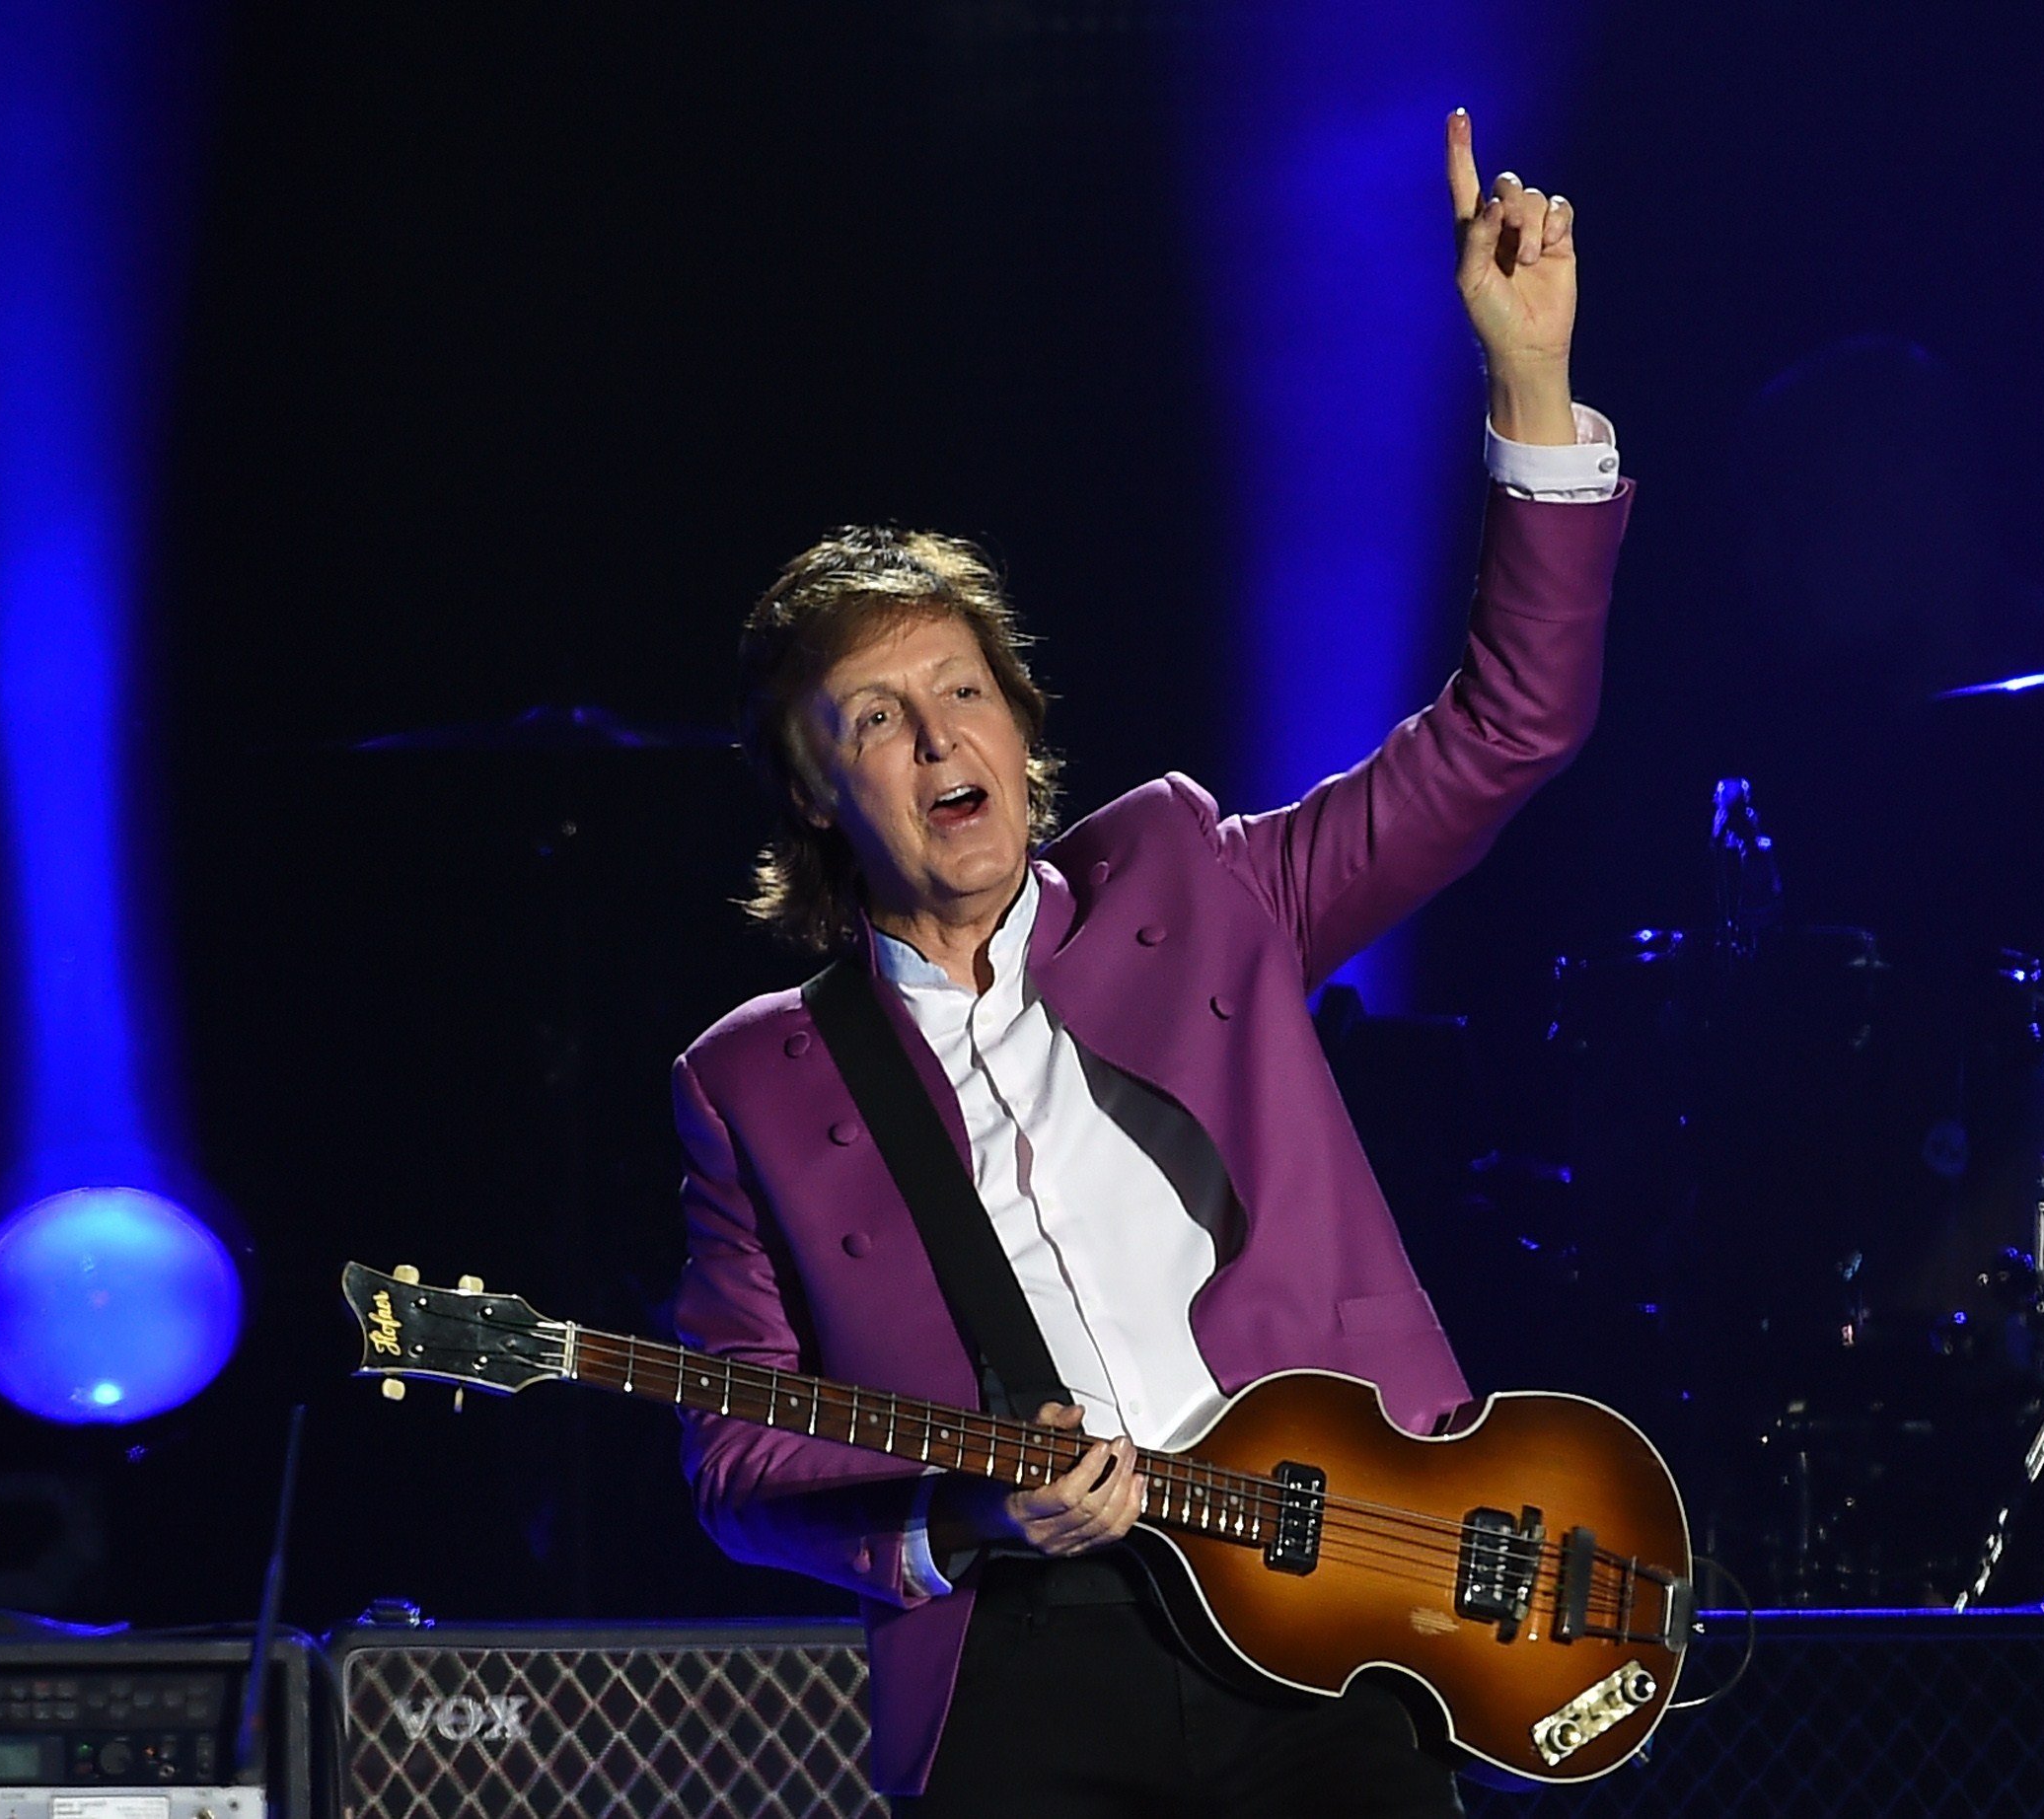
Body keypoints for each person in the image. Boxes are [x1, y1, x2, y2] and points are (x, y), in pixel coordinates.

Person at [670, 111, 1631, 1816]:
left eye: (963, 690)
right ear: (820, 794)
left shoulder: (1199, 880)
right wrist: (968, 1511)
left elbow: (1507, 731)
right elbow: (739, 1459)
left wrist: (1530, 387)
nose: (936, 737)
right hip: (1033, 1656)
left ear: (1025, 734)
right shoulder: (755, 1079)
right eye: (876, 721)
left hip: (1341, 1593)